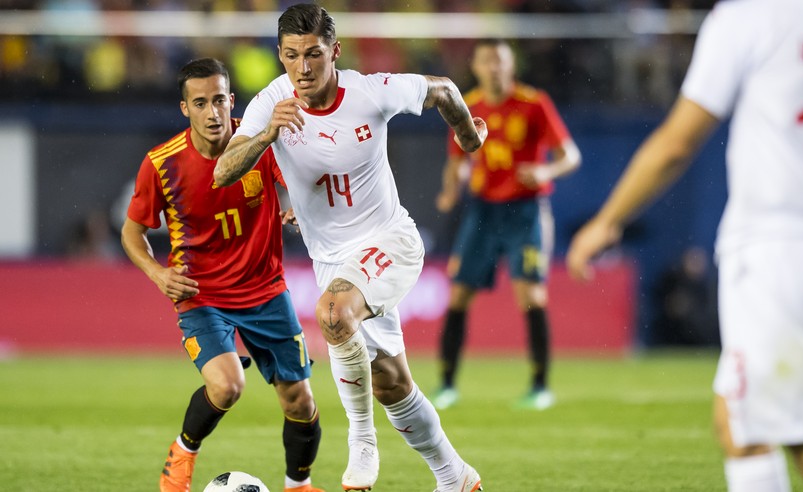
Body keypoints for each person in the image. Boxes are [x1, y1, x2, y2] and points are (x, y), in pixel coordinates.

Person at [566, 0, 803, 490]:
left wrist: (608, 219)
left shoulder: (752, 17)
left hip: (778, 254)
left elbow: (677, 143)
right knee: (738, 423)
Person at [213, 5, 487, 492]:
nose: (303, 68)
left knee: (333, 313)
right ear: (280, 55)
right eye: (292, 56)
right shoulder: (271, 103)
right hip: (333, 261)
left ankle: (362, 441)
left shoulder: (369, 91)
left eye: (314, 54)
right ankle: (455, 476)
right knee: (390, 383)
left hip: (391, 242)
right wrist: (268, 134)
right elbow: (223, 171)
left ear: (334, 52)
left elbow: (443, 88)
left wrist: (468, 137)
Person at [120, 57, 323, 492]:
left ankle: (298, 485)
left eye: (218, 100)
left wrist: (300, 211)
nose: (212, 113)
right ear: (184, 108)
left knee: (301, 403)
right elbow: (132, 232)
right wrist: (158, 274)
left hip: (266, 290)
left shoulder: (260, 142)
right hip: (203, 295)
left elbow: (308, 183)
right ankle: (182, 453)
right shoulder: (162, 163)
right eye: (200, 103)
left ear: (231, 100)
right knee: (229, 385)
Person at [431, 38, 581, 411]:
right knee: (459, 295)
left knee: (531, 295)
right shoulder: (468, 106)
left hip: (526, 211)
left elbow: (570, 155)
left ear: (511, 67)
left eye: (500, 61)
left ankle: (539, 387)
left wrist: (547, 169)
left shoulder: (533, 103)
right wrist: (452, 188)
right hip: (483, 211)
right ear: (477, 67)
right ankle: (447, 385)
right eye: (487, 61)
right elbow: (458, 159)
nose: (494, 67)